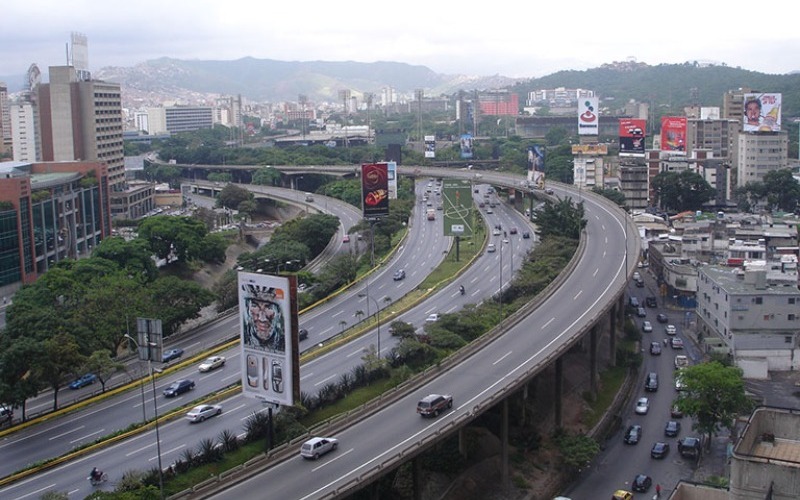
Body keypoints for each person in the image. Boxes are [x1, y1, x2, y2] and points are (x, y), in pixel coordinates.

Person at [241, 284, 285, 353]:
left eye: (269, 308)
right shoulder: (245, 340)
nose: (262, 318)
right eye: (255, 306)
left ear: (278, 313)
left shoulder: (286, 344)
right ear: (247, 309)